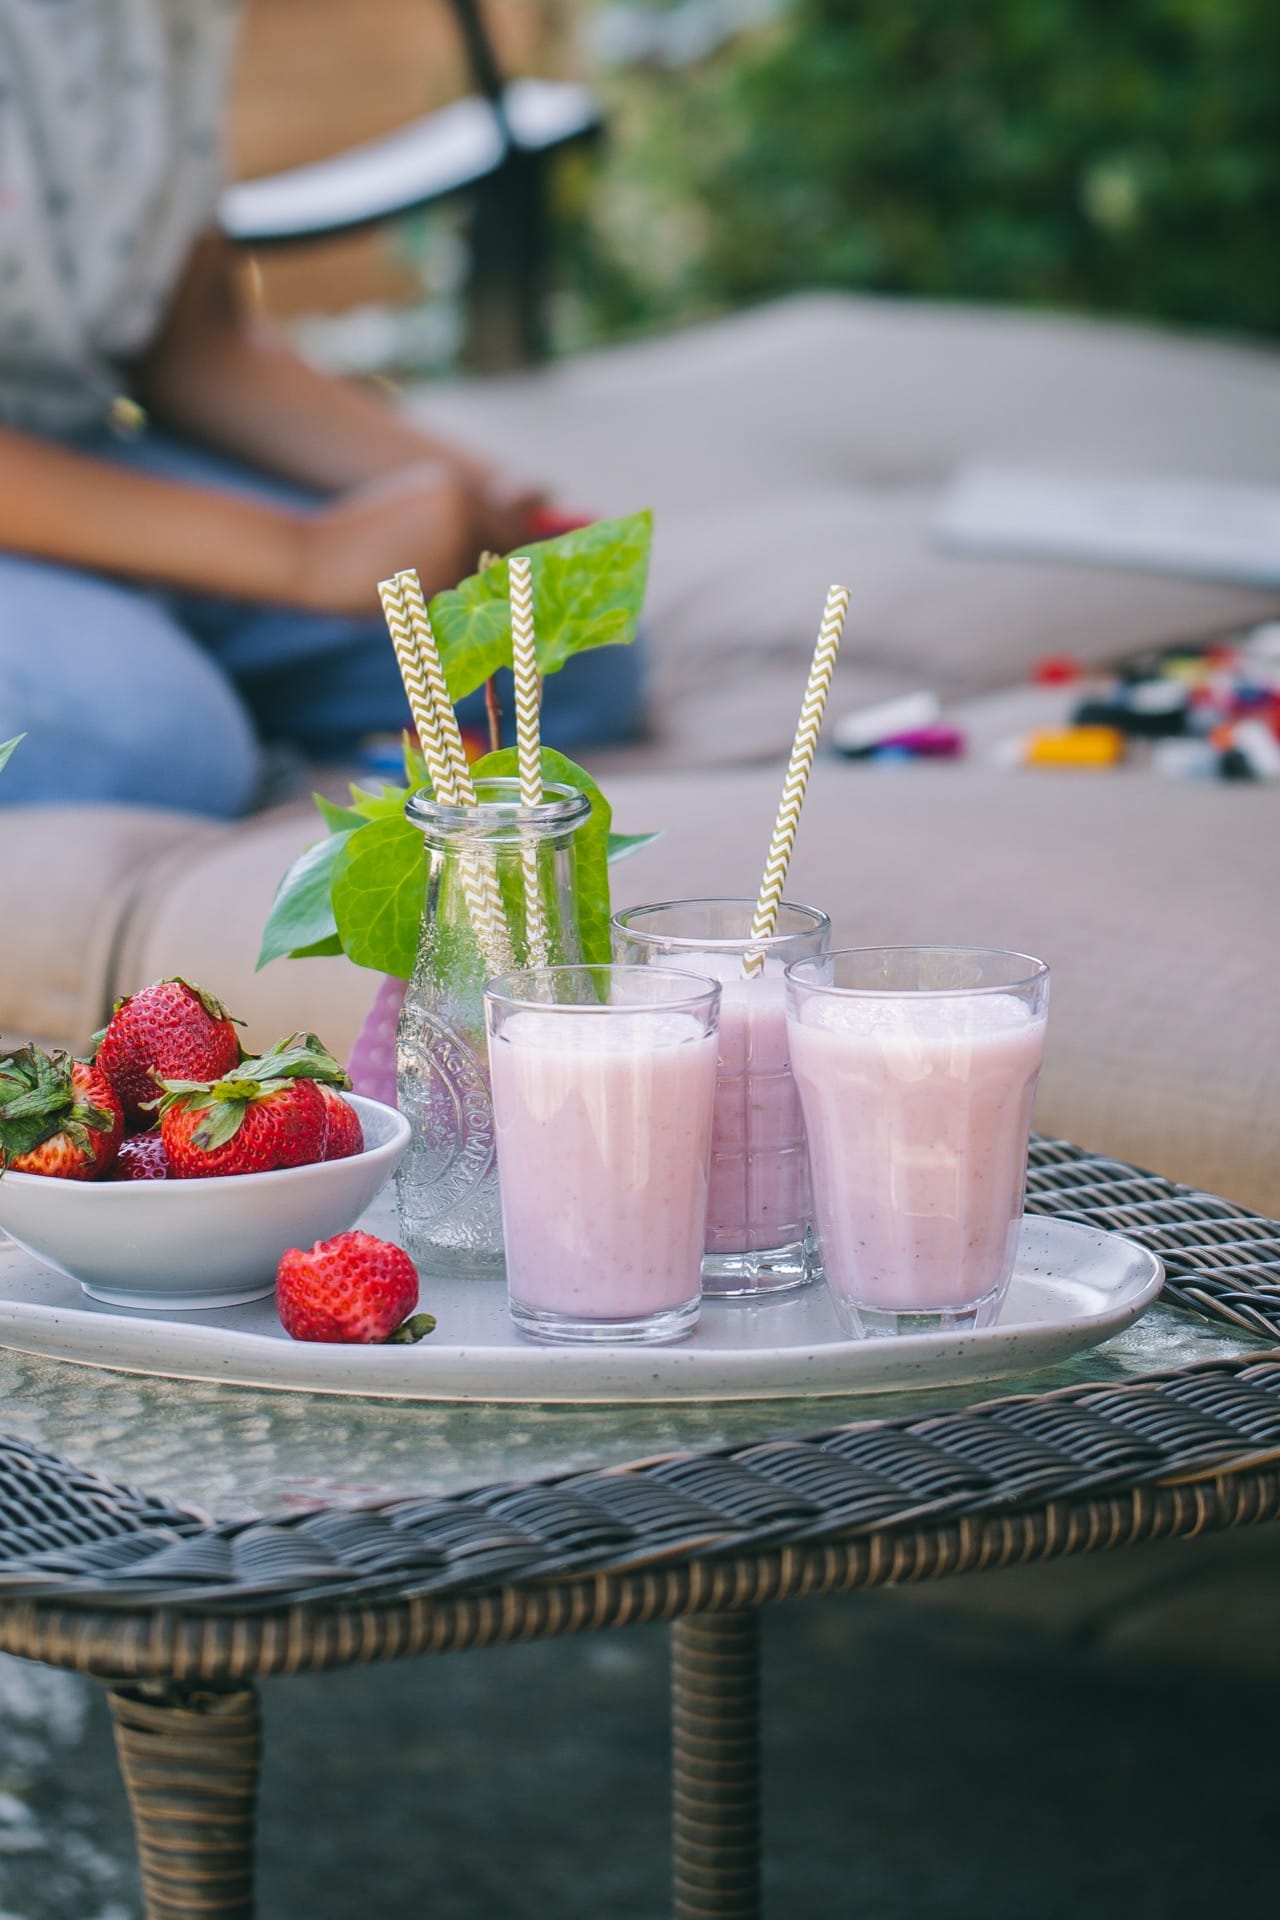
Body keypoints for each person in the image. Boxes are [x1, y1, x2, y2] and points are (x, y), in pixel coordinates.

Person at [0, 0, 645, 819]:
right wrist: (305, 555)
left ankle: (160, 668)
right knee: (154, 750)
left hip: (81, 455)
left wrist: (479, 490)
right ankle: (164, 693)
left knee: (559, 653)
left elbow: (192, 346)